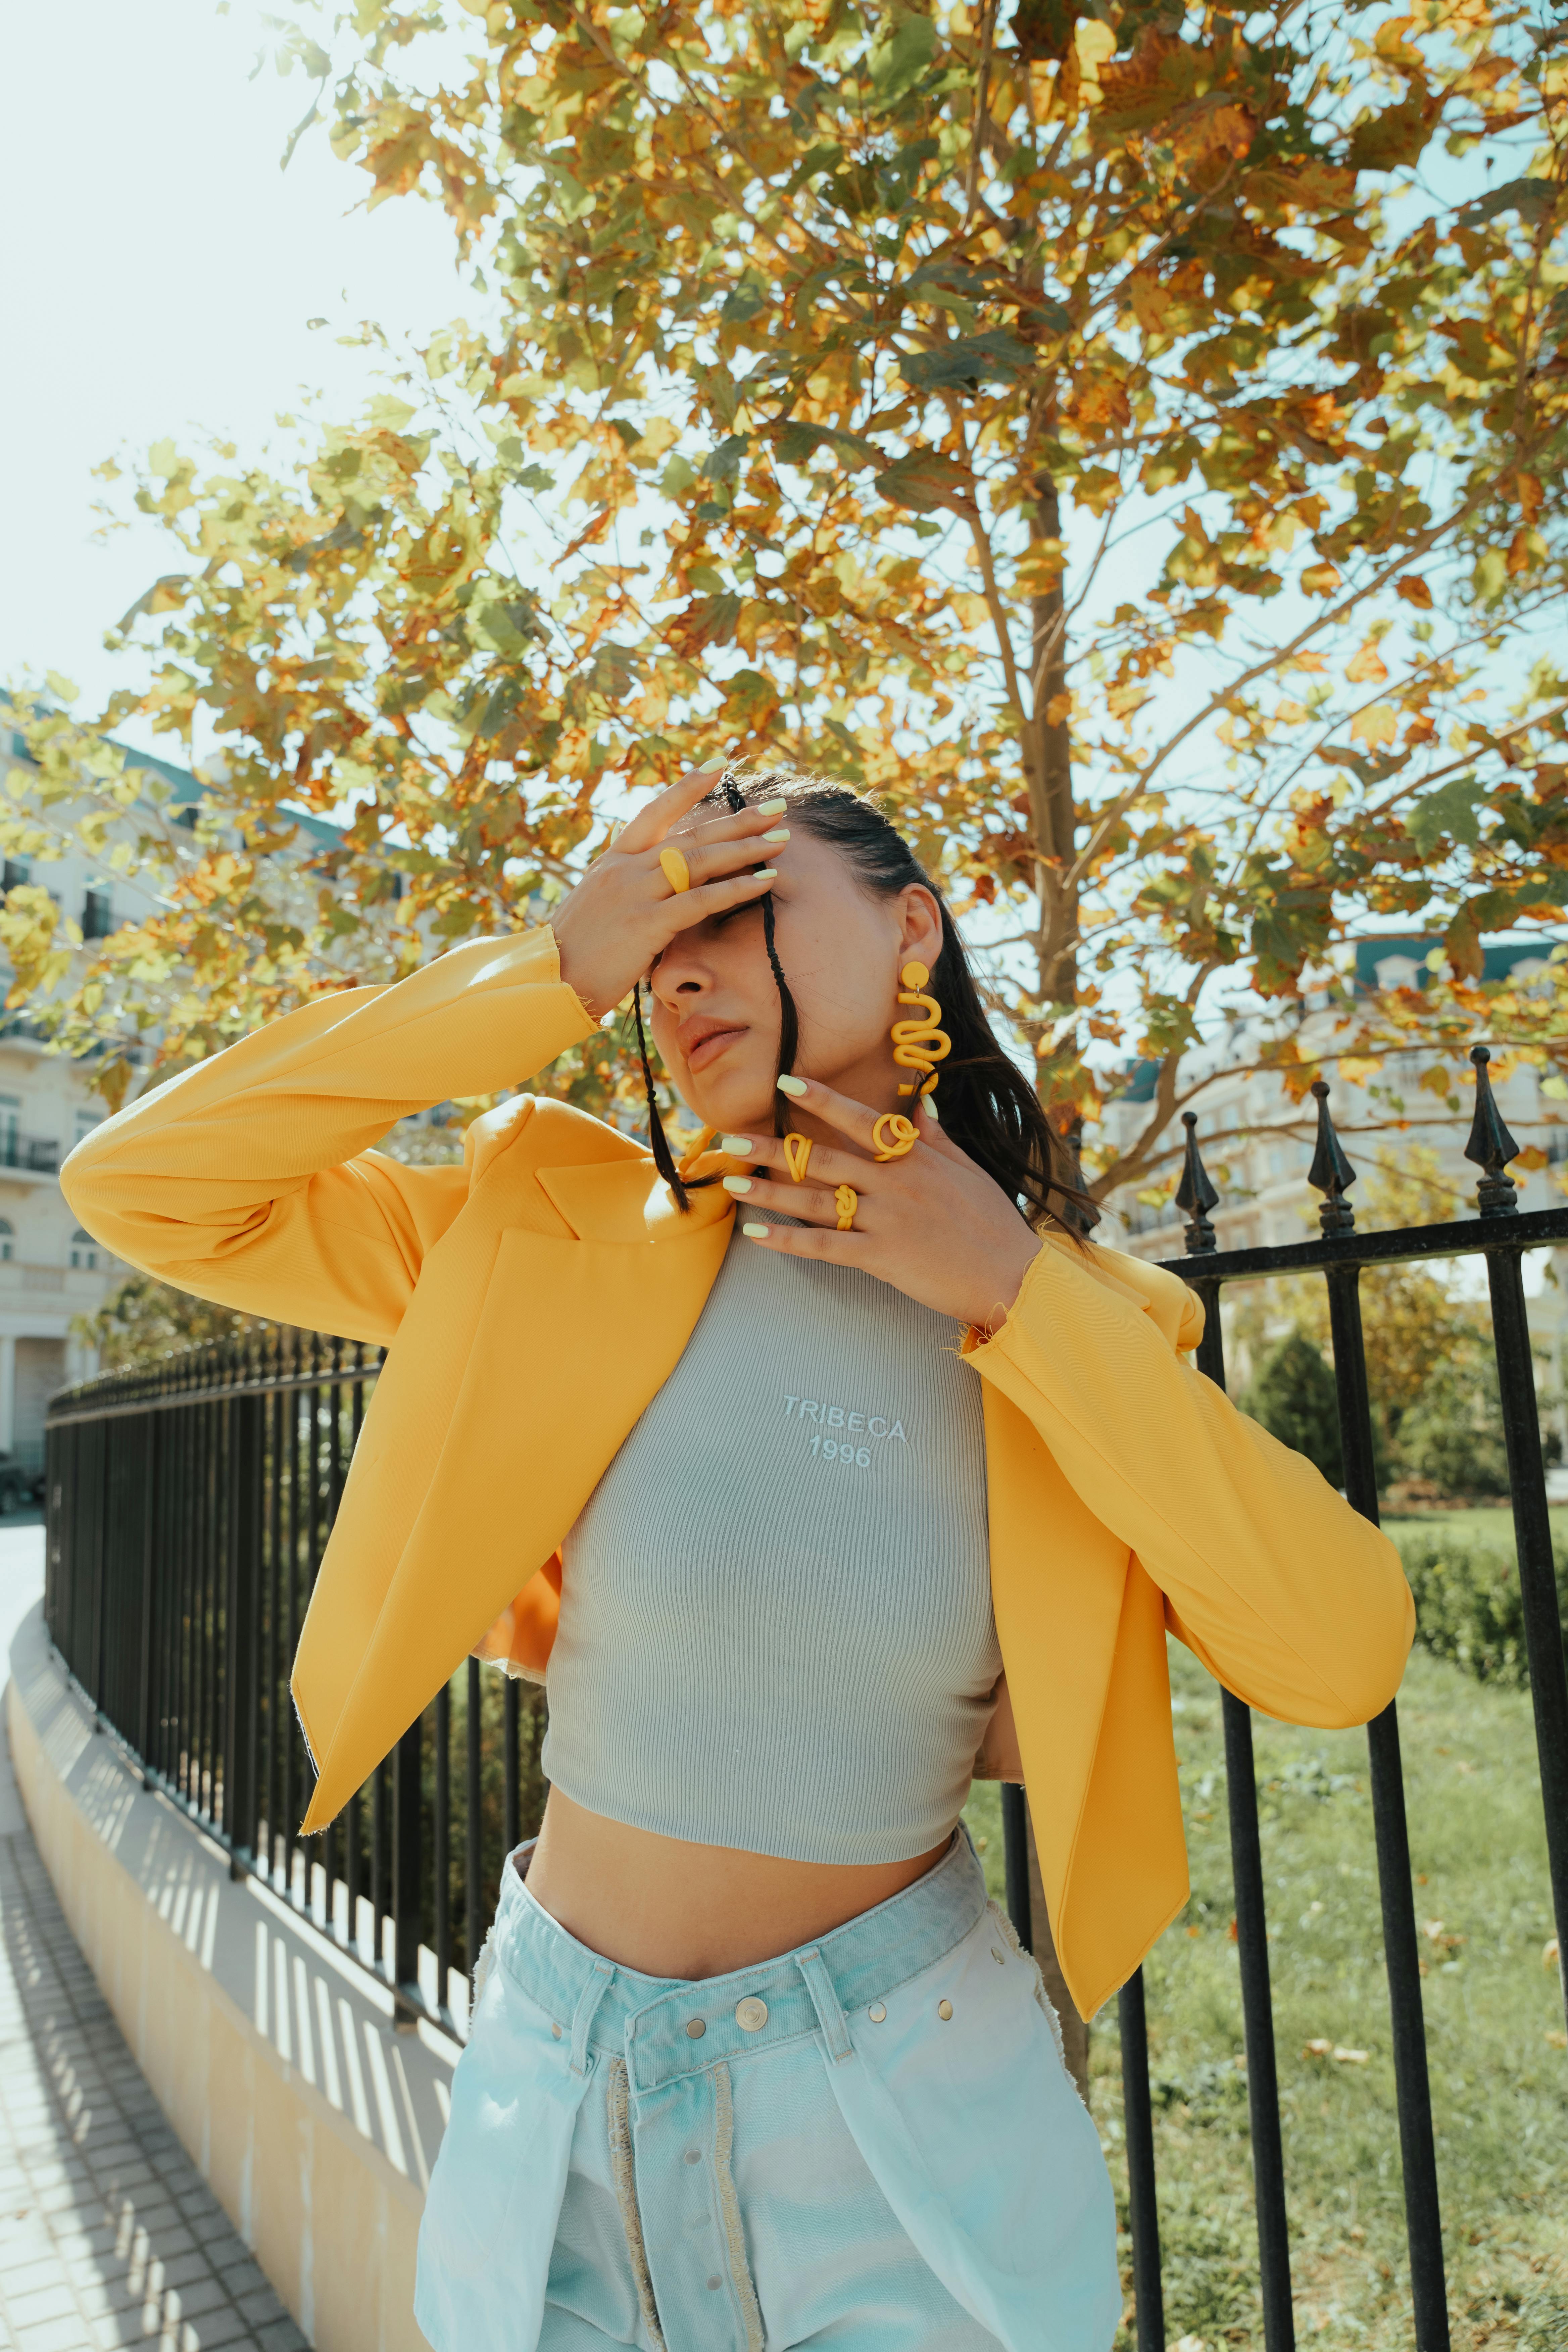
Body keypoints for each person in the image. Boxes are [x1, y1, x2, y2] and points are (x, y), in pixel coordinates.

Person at [62, 761, 1414, 2352]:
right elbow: (147, 1188)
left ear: (911, 931)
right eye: (661, 925)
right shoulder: (550, 1229)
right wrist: (552, 966)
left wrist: (1009, 1286)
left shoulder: (1091, 1328)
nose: (683, 963)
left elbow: (1341, 1658)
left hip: (899, 2126)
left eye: (742, 901)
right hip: (547, 2105)